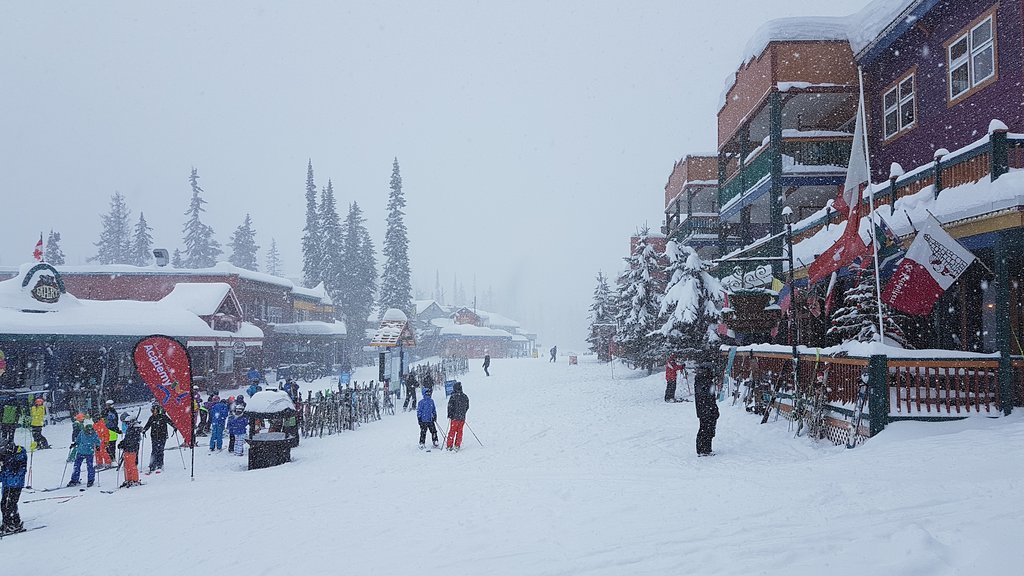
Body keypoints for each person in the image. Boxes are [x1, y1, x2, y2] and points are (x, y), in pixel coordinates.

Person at [694, 352, 720, 457]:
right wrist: (712, 409)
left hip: (706, 409)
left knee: (707, 428)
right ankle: (703, 449)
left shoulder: (704, 379)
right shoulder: (704, 380)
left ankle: (706, 448)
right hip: (706, 409)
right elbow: (707, 397)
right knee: (706, 428)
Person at [0, 438, 27, 534]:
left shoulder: (19, 453)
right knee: (5, 503)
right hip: (7, 483)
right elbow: (4, 471)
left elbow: (21, 470)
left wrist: (12, 476)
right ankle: (14, 522)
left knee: (9, 504)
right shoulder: (5, 456)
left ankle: (9, 524)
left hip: (16, 484)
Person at [142, 404, 177, 474]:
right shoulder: (151, 418)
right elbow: (147, 425)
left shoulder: (163, 417)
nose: (154, 412)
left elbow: (170, 422)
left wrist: (174, 427)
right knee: (154, 451)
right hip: (154, 436)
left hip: (162, 436)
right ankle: (152, 465)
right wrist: (144, 430)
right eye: (153, 411)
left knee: (160, 450)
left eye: (155, 410)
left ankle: (160, 465)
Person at [68, 420, 100, 487]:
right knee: (78, 466)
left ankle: (89, 480)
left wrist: (97, 446)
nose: (89, 432)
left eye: (90, 430)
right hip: (82, 452)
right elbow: (78, 440)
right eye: (88, 430)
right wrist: (74, 444)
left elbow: (97, 441)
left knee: (88, 466)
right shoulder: (83, 433)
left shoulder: (93, 434)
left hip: (87, 452)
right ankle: (75, 480)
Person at [118, 413, 143, 488]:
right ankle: (128, 480)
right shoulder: (130, 429)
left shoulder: (136, 429)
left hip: (132, 450)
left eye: (127, 423)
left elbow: (133, 441)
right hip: (127, 449)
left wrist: (125, 444)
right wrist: (122, 443)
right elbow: (127, 439)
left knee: (132, 465)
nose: (127, 424)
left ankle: (135, 480)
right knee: (126, 465)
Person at [445, 381, 470, 451]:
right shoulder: (465, 396)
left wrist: (450, 415)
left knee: (452, 431)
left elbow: (450, 407)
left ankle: (449, 445)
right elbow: (467, 406)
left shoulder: (453, 397)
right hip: (462, 417)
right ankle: (457, 445)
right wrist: (463, 412)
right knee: (460, 431)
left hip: (454, 418)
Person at [103, 400, 119, 464]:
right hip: (106, 430)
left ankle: (112, 458)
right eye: (106, 405)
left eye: (108, 405)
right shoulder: (105, 411)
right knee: (107, 446)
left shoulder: (113, 412)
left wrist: (116, 428)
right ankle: (108, 459)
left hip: (112, 430)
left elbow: (115, 421)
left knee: (112, 445)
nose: (107, 406)